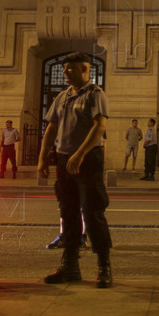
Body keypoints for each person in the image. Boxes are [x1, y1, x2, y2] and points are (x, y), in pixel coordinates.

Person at [38, 52, 113, 288]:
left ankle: (104, 266)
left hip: (88, 160)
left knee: (92, 213)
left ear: (84, 69)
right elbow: (51, 128)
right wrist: (42, 159)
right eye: (64, 69)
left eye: (70, 69)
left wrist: (80, 154)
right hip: (63, 160)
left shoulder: (95, 94)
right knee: (68, 213)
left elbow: (100, 126)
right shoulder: (62, 97)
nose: (65, 72)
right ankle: (70, 266)